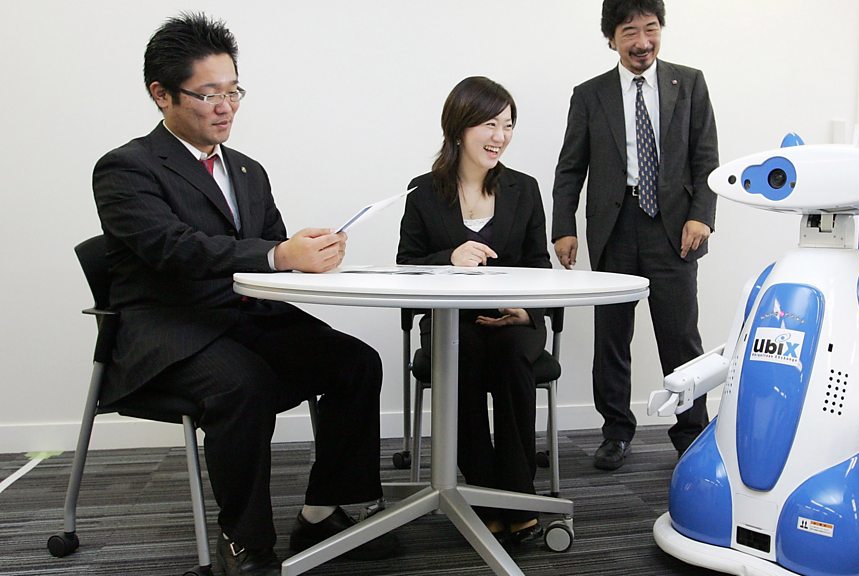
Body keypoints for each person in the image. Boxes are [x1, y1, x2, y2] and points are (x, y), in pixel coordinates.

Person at [92, 13, 396, 576]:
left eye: (233, 92)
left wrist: (310, 255)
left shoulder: (248, 171)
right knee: (243, 385)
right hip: (172, 330)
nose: (226, 107)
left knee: (356, 362)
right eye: (209, 94)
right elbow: (173, 248)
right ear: (161, 94)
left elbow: (269, 247)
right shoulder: (125, 168)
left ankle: (322, 510)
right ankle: (245, 543)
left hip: (247, 318)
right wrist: (280, 255)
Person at [551, 0, 719, 470]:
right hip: (614, 225)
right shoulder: (590, 95)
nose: (643, 42)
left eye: (651, 28)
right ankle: (616, 431)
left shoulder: (689, 83)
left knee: (681, 337)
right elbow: (570, 168)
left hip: (675, 228)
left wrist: (702, 216)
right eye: (630, 32)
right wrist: (563, 227)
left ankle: (691, 433)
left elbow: (706, 158)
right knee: (611, 337)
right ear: (612, 39)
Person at [397, 76, 551, 544]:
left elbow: (540, 267)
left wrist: (526, 311)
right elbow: (405, 266)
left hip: (515, 321)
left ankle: (517, 495)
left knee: (510, 356)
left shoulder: (524, 189)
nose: (500, 136)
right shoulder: (423, 192)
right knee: (459, 357)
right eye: (489, 124)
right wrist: (449, 258)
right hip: (451, 321)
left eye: (508, 124)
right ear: (459, 128)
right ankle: (483, 495)